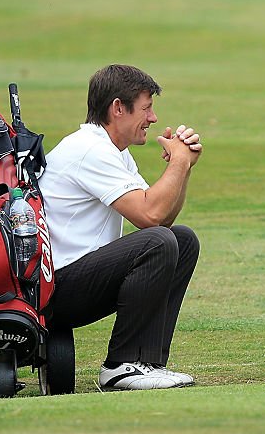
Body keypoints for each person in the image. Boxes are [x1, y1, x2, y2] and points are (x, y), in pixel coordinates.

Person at [40, 64, 203, 390]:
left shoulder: (112, 150)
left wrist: (180, 168)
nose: (153, 118)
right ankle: (121, 366)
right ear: (117, 108)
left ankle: (147, 363)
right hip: (55, 290)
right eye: (146, 108)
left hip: (76, 280)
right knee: (158, 241)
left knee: (181, 240)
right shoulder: (90, 150)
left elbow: (163, 217)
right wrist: (181, 162)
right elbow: (150, 217)